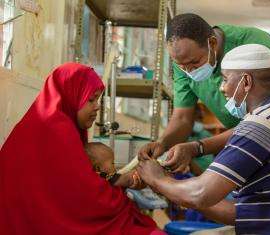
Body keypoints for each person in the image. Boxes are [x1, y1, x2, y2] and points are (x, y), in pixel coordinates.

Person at [0, 63, 166, 235]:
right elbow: (87, 197)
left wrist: (118, 181)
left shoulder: (50, 124)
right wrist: (120, 194)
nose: (97, 106)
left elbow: (74, 186)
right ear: (72, 94)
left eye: (98, 99)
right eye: (91, 99)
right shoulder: (57, 130)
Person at [137, 44, 270, 234]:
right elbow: (243, 213)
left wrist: (158, 180)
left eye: (226, 79)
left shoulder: (258, 125)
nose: (222, 88)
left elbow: (200, 194)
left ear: (246, 81)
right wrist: (195, 149)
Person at [138, 13, 270, 173]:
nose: (188, 71)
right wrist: (162, 144)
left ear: (212, 43)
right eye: (181, 66)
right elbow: (182, 118)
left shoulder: (253, 46)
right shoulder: (184, 61)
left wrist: (198, 148)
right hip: (246, 139)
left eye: (194, 62)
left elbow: (263, 120)